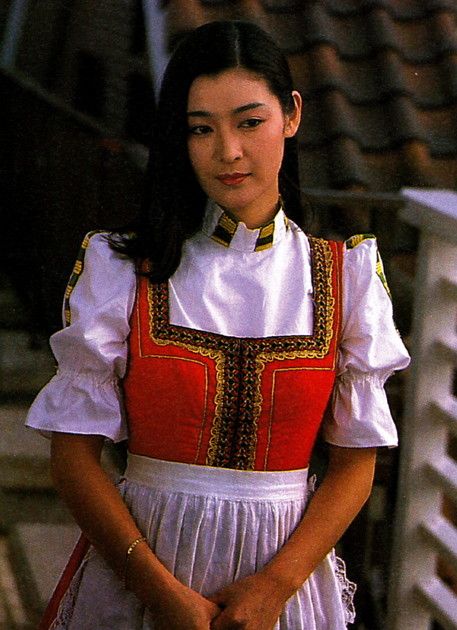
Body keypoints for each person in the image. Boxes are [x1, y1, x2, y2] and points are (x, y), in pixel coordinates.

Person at [26, 20, 410, 630]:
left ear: (292, 115)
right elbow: (73, 459)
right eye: (201, 128)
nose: (227, 151)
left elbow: (355, 465)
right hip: (137, 583)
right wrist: (160, 594)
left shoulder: (347, 278)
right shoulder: (124, 270)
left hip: (284, 593)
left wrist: (275, 587)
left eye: (249, 122)